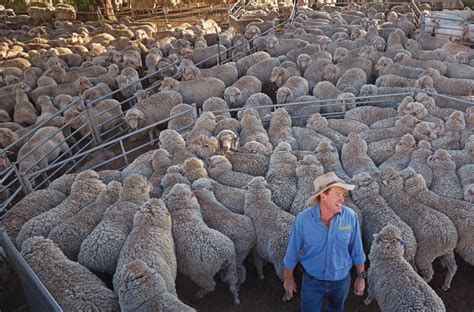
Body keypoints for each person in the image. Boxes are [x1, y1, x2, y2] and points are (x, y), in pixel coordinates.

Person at [283, 171, 366, 312]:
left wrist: (361, 277)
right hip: (312, 282)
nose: (342, 199)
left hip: (340, 281)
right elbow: (292, 253)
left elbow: (357, 251)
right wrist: (288, 279)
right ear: (323, 196)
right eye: (337, 195)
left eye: (343, 195)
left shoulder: (351, 217)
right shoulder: (303, 220)